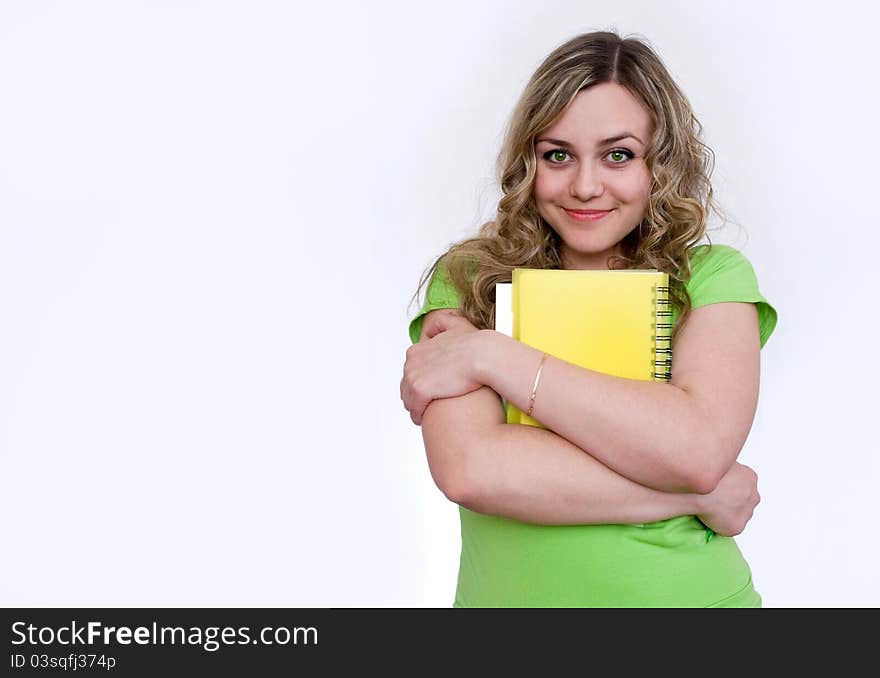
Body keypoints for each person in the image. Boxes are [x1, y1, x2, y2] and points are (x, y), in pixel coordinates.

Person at [400, 31, 777, 608]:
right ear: (529, 162)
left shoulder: (711, 277)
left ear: (662, 164)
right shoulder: (472, 278)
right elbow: (473, 471)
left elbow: (697, 451)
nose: (584, 185)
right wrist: (693, 496)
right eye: (558, 154)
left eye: (618, 154)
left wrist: (491, 355)